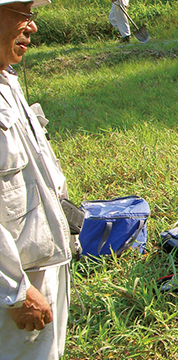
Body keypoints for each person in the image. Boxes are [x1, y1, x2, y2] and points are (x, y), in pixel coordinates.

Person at [0, 0, 77, 358]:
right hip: (16, 283)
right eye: (22, 14)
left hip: (41, 258)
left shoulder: (7, 79)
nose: (32, 27)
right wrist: (13, 290)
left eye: (32, 15)